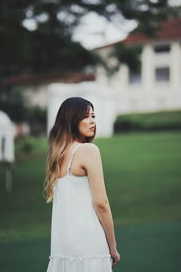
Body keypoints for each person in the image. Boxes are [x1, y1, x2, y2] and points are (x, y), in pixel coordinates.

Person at [44, 97, 120, 271]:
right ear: (72, 120)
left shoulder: (56, 155)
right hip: (89, 245)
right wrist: (112, 246)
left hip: (62, 249)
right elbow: (101, 204)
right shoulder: (88, 150)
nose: (92, 121)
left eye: (93, 115)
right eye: (86, 116)